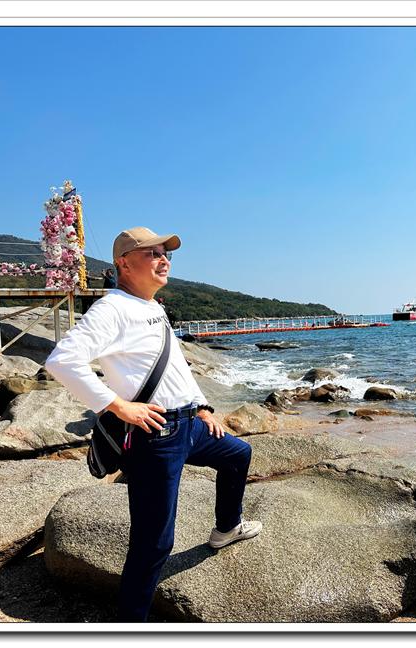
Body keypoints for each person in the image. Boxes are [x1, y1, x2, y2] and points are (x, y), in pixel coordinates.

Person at [45, 226, 261, 622]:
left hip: (188, 425)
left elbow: (172, 365)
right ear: (124, 263)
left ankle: (226, 529)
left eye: (166, 254)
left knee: (238, 454)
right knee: (154, 542)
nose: (164, 261)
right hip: (155, 437)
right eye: (153, 254)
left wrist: (202, 407)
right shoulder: (112, 309)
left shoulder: (152, 306)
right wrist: (118, 407)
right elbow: (62, 361)